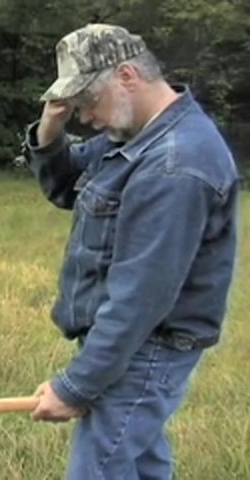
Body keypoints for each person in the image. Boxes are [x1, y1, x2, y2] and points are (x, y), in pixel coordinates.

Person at [21, 23, 241, 479]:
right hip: (137, 347)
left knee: (98, 470)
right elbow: (66, 186)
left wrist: (76, 386)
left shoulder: (175, 164)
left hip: (146, 349)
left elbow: (141, 298)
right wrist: (50, 128)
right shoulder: (139, 136)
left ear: (126, 76)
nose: (85, 118)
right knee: (139, 466)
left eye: (87, 102)